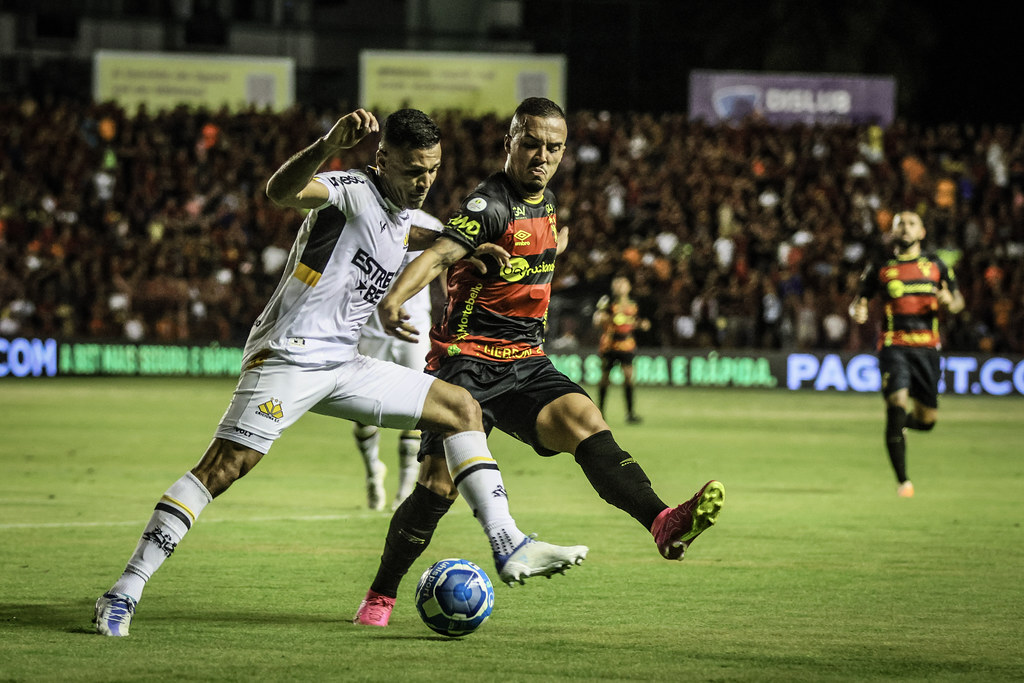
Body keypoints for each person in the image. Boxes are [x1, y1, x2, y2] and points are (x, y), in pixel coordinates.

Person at [93, 107, 586, 637]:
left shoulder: (403, 212)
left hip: (344, 363)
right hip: (289, 355)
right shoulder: (350, 186)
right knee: (224, 467)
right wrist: (327, 143)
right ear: (381, 159)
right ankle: (123, 591)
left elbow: (401, 235)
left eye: (432, 170)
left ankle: (507, 541)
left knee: (461, 407)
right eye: (411, 170)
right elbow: (281, 193)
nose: (423, 182)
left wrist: (460, 247)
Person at [353, 97, 724, 628]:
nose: (541, 156)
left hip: (526, 362)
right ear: (510, 143)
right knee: (437, 487)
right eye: (530, 144)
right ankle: (379, 598)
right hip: (468, 365)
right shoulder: (489, 205)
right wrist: (393, 301)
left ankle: (662, 522)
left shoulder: (545, 203)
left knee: (587, 423)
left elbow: (528, 258)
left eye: (553, 147)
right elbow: (438, 255)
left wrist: (549, 255)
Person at [849, 210, 965, 497]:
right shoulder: (881, 266)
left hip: (927, 348)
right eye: (900, 224)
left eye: (912, 224)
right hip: (894, 346)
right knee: (896, 404)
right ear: (893, 232)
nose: (905, 228)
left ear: (922, 232)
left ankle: (901, 427)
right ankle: (904, 482)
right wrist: (859, 310)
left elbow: (958, 301)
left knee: (927, 421)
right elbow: (859, 300)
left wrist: (950, 301)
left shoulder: (936, 265)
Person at [353, 208, 444, 511]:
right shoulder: (372, 216)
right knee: (360, 410)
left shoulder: (432, 225)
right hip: (370, 328)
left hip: (414, 327)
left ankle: (405, 487)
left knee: (416, 409)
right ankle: (372, 472)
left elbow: (444, 277)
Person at [593, 275, 650, 423]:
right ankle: (600, 413)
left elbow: (636, 322)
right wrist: (607, 318)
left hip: (627, 345)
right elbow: (597, 320)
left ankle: (630, 414)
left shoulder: (634, 304)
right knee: (605, 379)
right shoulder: (607, 302)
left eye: (623, 284)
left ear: (629, 287)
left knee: (629, 378)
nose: (620, 286)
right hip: (610, 345)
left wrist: (642, 324)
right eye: (617, 284)